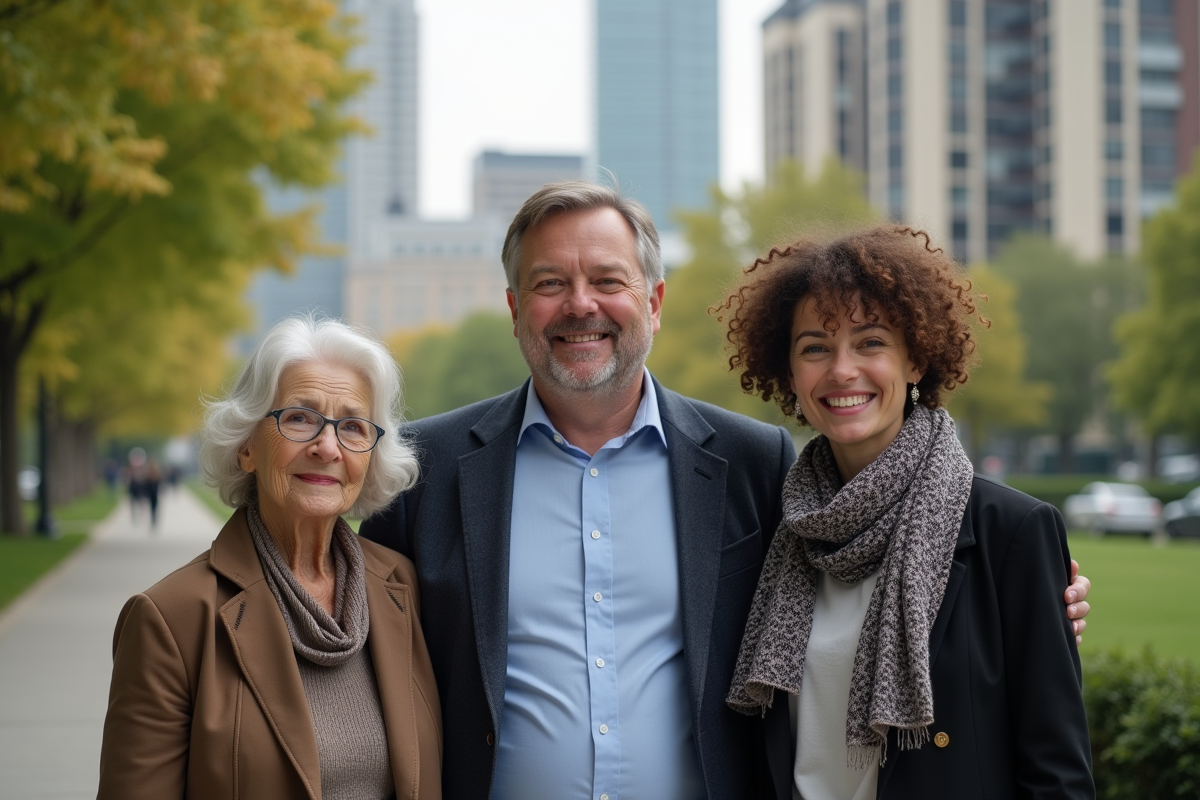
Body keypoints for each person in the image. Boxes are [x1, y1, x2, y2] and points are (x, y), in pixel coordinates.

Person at [361, 182, 1091, 799]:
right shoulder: (425, 469)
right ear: (518, 309)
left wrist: (1014, 604)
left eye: (608, 280)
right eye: (551, 283)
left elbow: (870, 552)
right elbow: (349, 632)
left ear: (653, 302)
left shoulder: (753, 461)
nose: (581, 304)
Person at [721, 227, 1094, 798]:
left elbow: (1058, 776)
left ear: (916, 359)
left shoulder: (1010, 533)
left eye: (870, 343)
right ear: (792, 375)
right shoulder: (779, 534)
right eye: (815, 347)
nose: (842, 370)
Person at [98, 316, 442, 800]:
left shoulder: (401, 584)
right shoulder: (170, 618)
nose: (328, 447)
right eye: (300, 418)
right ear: (246, 447)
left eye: (353, 425)